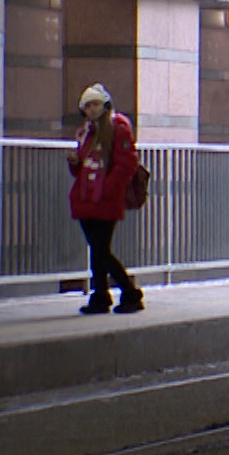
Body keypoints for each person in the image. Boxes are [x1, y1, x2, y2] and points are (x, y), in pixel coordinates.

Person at [68, 83, 142, 314]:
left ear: (105, 104)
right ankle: (101, 295)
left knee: (101, 249)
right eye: (87, 105)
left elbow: (126, 163)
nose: (91, 109)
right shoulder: (87, 132)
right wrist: (74, 163)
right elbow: (84, 168)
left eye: (95, 104)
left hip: (105, 198)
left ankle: (129, 293)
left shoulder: (118, 128)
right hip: (87, 198)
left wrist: (108, 189)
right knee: (97, 249)